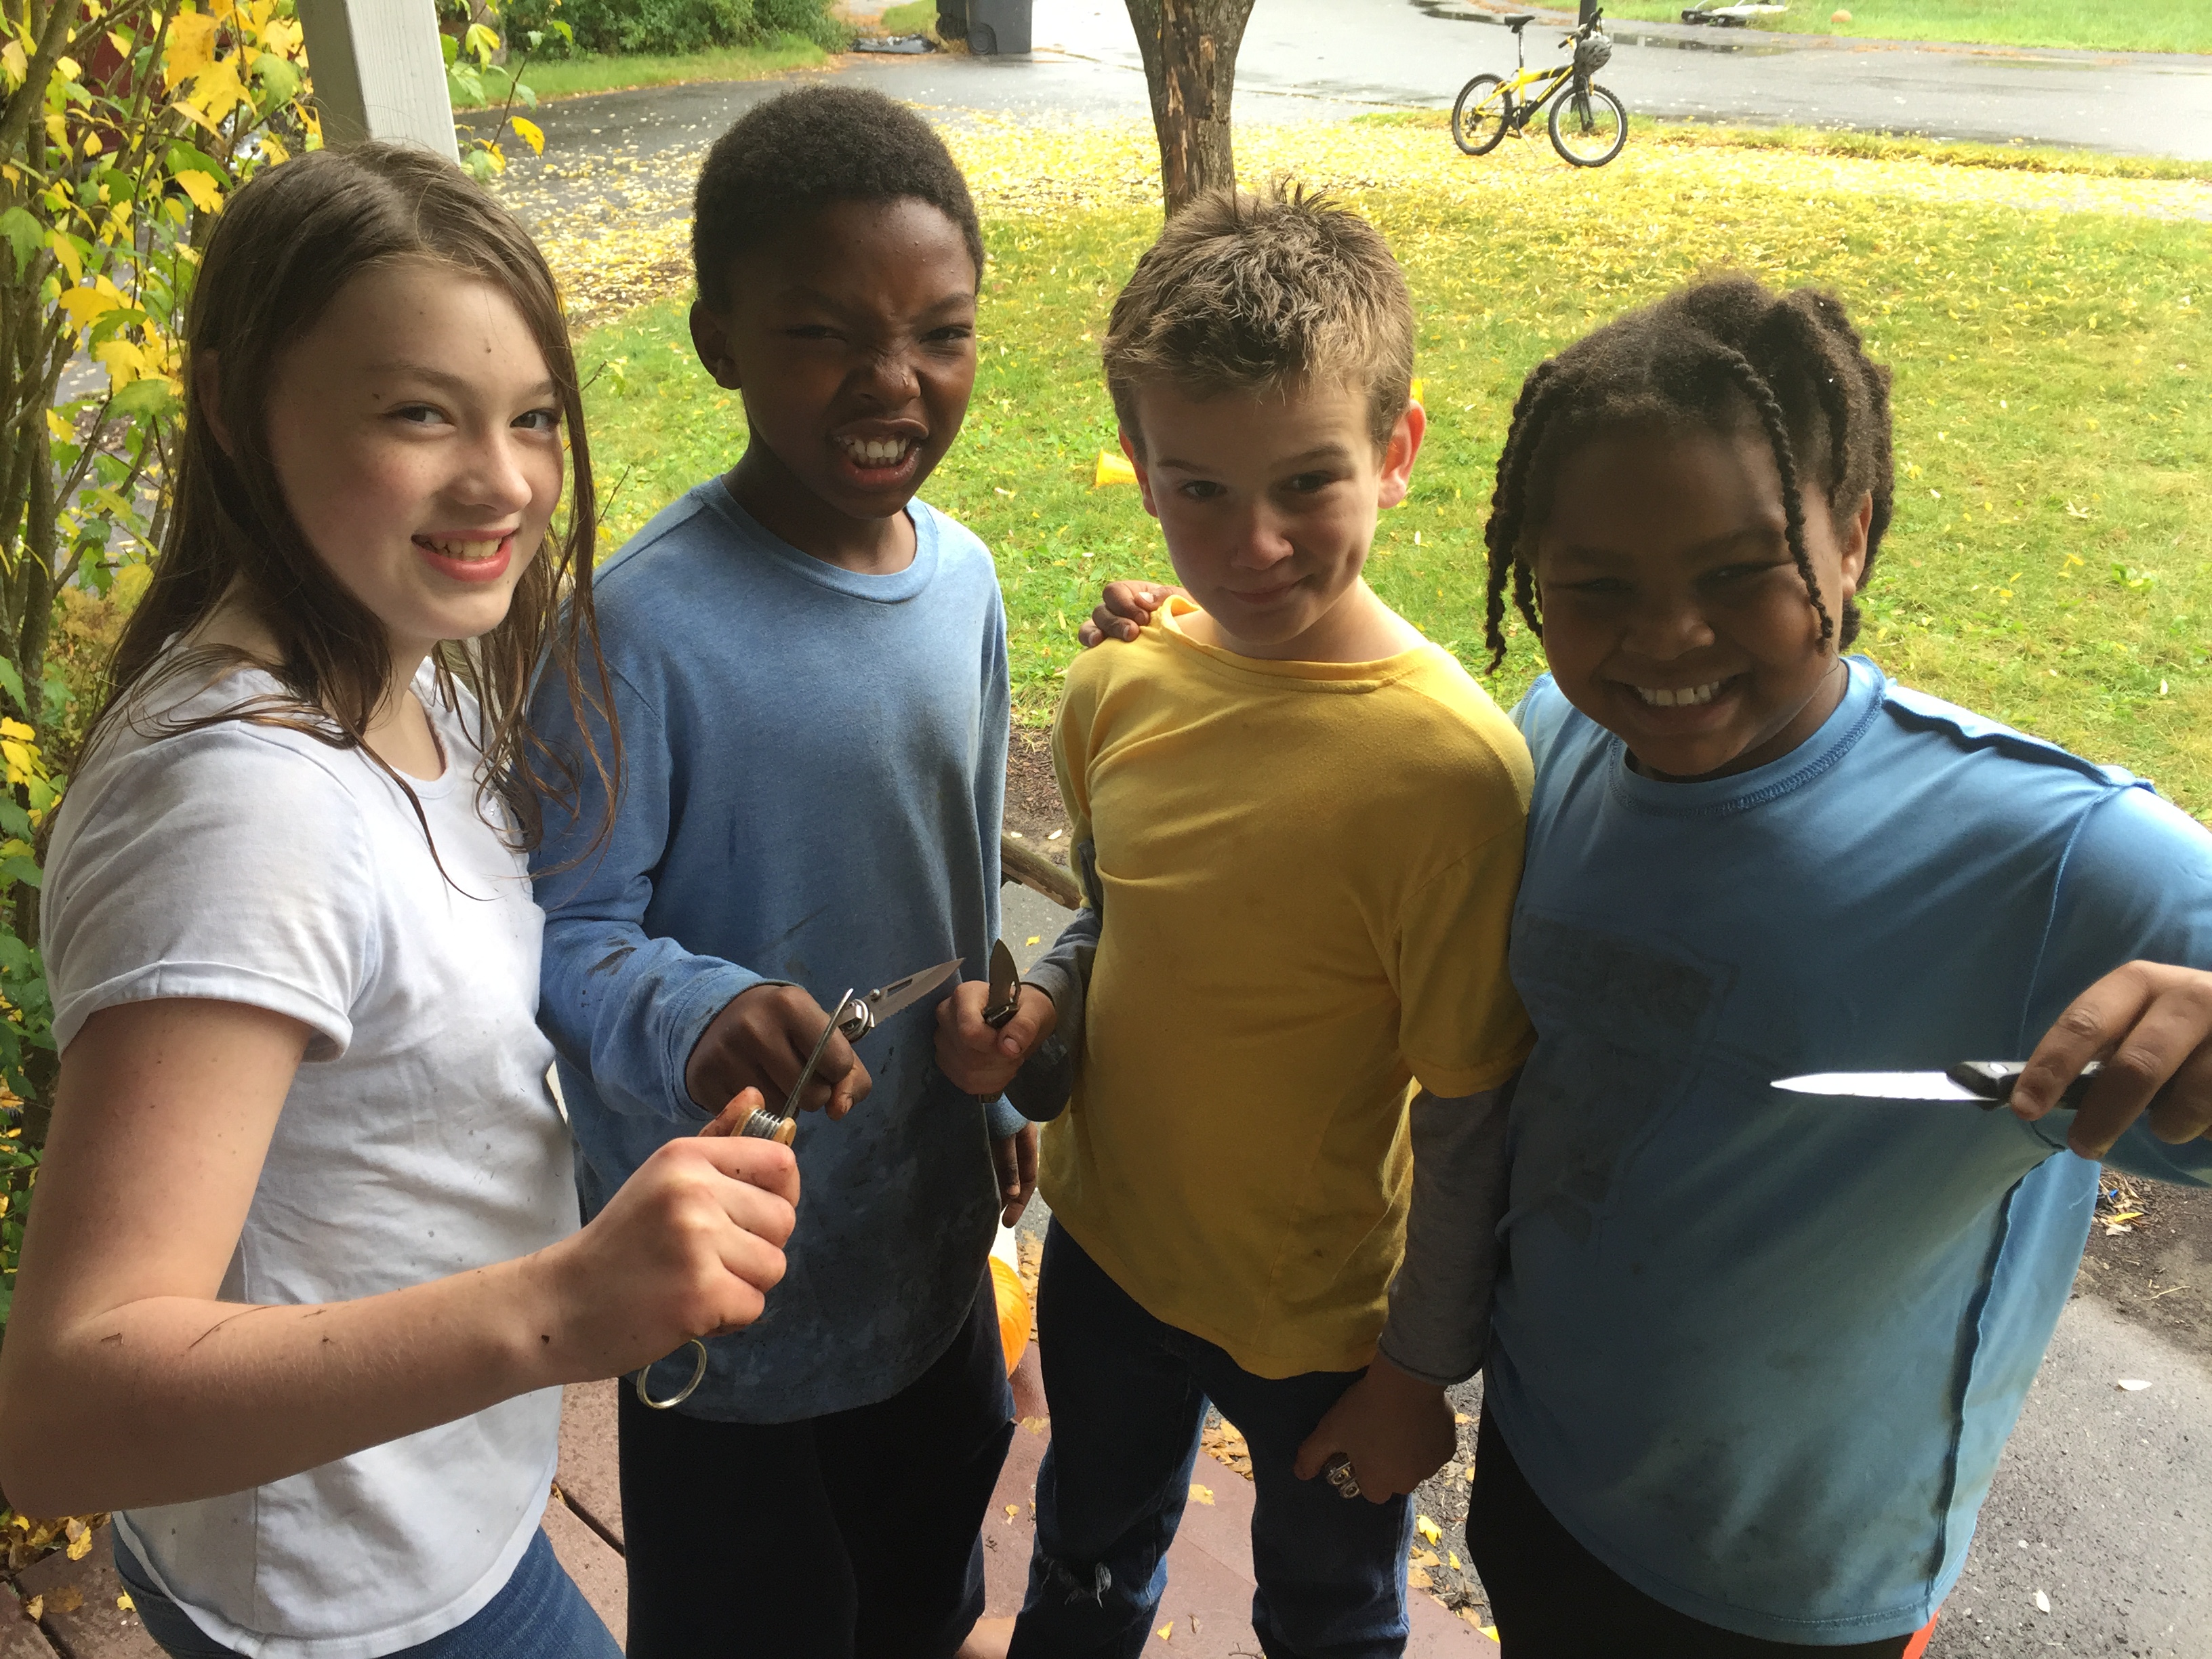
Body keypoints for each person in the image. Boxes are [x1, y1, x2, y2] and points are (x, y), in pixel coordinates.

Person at [1086, 274, 2212, 1656]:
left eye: (1739, 574)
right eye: (1597, 588)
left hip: (1790, 1589)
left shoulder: (2063, 858)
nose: (1668, 636)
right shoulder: (1555, 742)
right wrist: (1211, 656)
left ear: (1852, 537)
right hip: (1543, 1488)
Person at [0, 144, 801, 1659]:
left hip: (409, 1496)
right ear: (234, 408)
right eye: (418, 412)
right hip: (349, 1588)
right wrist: (564, 1309)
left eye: (532, 416)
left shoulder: (410, 672)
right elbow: (65, 1413)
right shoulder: (247, 807)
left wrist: (682, 1023)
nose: (503, 480)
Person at [935, 182, 1534, 1659]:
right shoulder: (1116, 689)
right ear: (1141, 472)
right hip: (1107, 1255)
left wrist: (1419, 1377)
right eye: (1200, 488)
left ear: (1397, 455)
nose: (1253, 543)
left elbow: (1471, 1111)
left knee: (1330, 1614)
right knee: (1083, 1559)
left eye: (1307, 484)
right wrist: (1048, 1001)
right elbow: (1117, 916)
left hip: (1323, 1323)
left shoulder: (1454, 778)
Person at [527, 86, 1027, 1659]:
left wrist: (994, 1100)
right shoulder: (636, 631)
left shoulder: (967, 582)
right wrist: (699, 1006)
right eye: (825, 334)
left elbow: (964, 882)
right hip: (726, 1293)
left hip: (922, 1242)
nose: (894, 380)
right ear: (719, 341)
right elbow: (558, 934)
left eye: (940, 333)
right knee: (754, 1618)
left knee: (923, 1584)